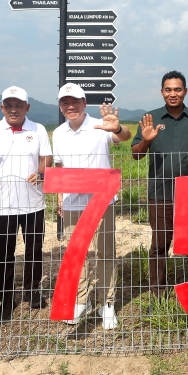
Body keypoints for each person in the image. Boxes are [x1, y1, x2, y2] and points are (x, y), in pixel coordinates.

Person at [52, 83, 131, 330]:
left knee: (106, 253)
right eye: (65, 102)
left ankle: (107, 304)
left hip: (102, 201)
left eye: (75, 101)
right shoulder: (58, 133)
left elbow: (124, 136)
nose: (70, 106)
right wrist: (59, 200)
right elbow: (60, 169)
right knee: (79, 255)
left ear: (84, 103)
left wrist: (117, 127)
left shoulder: (100, 125)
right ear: (60, 106)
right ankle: (80, 301)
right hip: (73, 203)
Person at [131, 71, 188, 296]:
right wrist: (146, 141)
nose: (173, 94)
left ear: (185, 91)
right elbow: (136, 154)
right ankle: (158, 294)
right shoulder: (151, 118)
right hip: (160, 193)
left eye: (177, 89)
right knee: (159, 246)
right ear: (161, 92)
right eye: (168, 89)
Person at [0, 86, 52, 321]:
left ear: (27, 107)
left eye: (18, 105)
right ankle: (8, 298)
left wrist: (41, 173)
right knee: (4, 253)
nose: (13, 109)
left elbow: (46, 158)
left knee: (34, 250)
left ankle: (32, 290)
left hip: (33, 202)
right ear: (2, 108)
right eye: (8, 105)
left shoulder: (38, 129)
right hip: (2, 203)